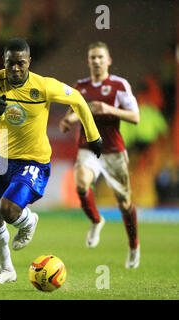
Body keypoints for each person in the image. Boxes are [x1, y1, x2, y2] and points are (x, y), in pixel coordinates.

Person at [0, 38, 102, 284]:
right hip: (3, 160)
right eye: (10, 63)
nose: (14, 69)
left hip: (33, 162)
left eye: (20, 64)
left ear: (29, 63)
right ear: (4, 61)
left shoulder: (44, 86)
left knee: (8, 209)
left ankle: (28, 220)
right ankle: (6, 270)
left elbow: (77, 99)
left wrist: (93, 135)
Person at [59, 41, 140, 268]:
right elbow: (74, 111)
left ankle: (133, 245)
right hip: (89, 147)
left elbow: (135, 117)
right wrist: (67, 121)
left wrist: (109, 109)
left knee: (124, 203)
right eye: (92, 57)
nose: (96, 61)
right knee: (81, 185)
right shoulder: (80, 87)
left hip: (113, 150)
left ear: (108, 60)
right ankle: (96, 221)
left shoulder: (119, 85)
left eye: (100, 57)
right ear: (88, 61)